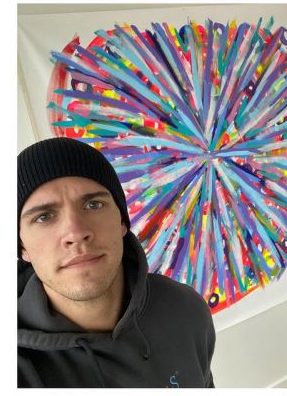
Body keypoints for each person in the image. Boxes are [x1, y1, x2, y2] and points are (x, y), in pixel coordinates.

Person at [18, 137, 216, 388]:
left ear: (122, 221)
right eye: (44, 217)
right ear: (22, 247)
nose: (76, 233)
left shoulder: (185, 309)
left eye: (93, 204)